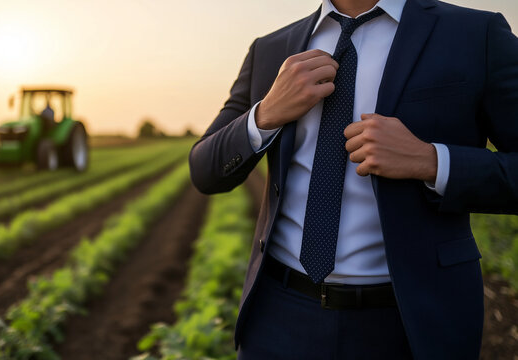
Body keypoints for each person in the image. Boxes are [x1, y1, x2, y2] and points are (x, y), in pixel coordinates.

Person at [188, 0, 518, 358]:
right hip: (276, 317)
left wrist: (432, 161)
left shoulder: (476, 34)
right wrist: (265, 114)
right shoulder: (270, 48)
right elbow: (205, 171)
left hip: (412, 323)